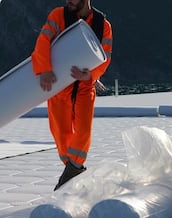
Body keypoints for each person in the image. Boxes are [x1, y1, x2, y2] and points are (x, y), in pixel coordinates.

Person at [31, 0, 113, 191]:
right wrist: (44, 70)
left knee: (83, 131)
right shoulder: (58, 16)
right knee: (61, 136)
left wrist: (91, 75)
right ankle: (73, 172)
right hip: (60, 86)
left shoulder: (103, 25)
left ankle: (71, 173)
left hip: (85, 87)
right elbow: (43, 42)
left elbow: (106, 56)